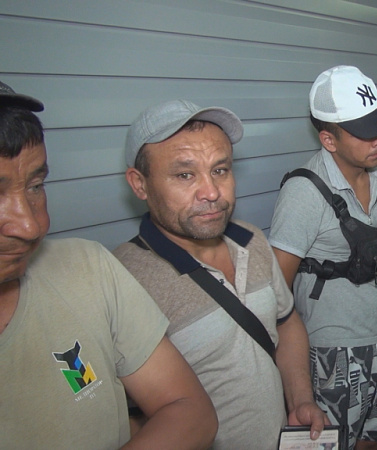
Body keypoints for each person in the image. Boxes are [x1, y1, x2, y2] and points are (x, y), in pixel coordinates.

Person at [0, 83, 217, 448]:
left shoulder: (87, 268)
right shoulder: (135, 264)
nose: (30, 225)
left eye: (35, 186)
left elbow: (189, 410)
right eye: (184, 174)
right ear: (139, 184)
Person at [113, 99, 327, 448]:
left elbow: (286, 322)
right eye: (185, 175)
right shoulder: (122, 280)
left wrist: (300, 398)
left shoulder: (251, 239)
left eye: (220, 170)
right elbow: (120, 414)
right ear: (140, 184)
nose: (212, 192)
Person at [270, 65, 377, 450]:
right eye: (366, 132)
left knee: (376, 439)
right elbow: (275, 295)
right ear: (329, 139)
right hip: (331, 351)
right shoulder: (303, 193)